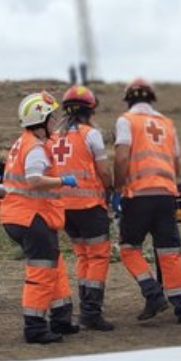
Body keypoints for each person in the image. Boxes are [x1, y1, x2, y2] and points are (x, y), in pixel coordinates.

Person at [0, 92, 79, 344]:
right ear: (41, 119)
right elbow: (34, 180)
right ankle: (34, 327)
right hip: (31, 216)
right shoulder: (34, 147)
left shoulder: (24, 142)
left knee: (53, 265)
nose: (55, 119)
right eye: (51, 115)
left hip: (22, 215)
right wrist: (62, 181)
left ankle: (61, 318)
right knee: (42, 270)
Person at [112, 78, 181, 322]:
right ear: (152, 98)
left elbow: (122, 158)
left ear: (129, 100)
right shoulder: (167, 124)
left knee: (128, 248)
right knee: (169, 252)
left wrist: (117, 188)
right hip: (166, 194)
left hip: (138, 195)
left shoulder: (126, 121)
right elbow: (176, 163)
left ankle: (153, 294)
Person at [53, 85, 116, 331]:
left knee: (82, 255)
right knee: (98, 256)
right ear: (90, 110)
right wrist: (110, 190)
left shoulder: (55, 137)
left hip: (64, 207)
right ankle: (91, 311)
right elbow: (103, 170)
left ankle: (85, 309)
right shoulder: (91, 135)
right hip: (89, 206)